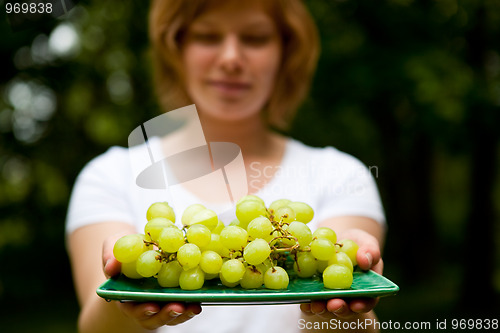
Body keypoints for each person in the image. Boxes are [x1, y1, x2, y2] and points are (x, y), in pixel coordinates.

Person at [66, 0, 386, 332]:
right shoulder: (108, 175)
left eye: (255, 38)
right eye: (207, 36)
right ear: (177, 50)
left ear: (285, 52)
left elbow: (353, 321)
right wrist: (123, 299)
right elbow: (95, 326)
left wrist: (342, 310)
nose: (231, 58)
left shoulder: (343, 175)